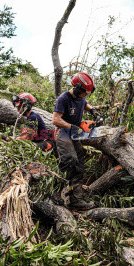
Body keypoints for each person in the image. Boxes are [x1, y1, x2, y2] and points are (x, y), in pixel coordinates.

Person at [52, 72, 100, 209]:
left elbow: (84, 103)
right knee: (69, 161)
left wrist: (93, 111)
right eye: (85, 92)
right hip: (63, 133)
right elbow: (55, 120)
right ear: (78, 89)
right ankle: (55, 193)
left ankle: (76, 199)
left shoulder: (81, 98)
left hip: (74, 134)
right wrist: (72, 126)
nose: (86, 95)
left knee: (79, 163)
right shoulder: (63, 98)